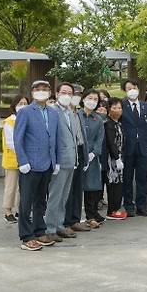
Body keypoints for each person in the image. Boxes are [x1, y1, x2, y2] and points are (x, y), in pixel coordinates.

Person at [14, 80, 59, 251]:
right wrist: (22, 161)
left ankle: (40, 231)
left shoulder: (53, 113)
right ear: (32, 92)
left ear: (49, 92)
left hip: (47, 163)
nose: (41, 92)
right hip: (30, 164)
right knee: (26, 202)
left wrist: (57, 161)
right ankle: (26, 236)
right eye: (38, 89)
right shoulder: (25, 112)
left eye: (45, 89)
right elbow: (18, 139)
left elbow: (55, 139)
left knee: (41, 200)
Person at [43, 83, 82, 242]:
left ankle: (59, 225)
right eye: (63, 92)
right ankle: (50, 228)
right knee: (55, 196)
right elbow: (51, 138)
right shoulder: (52, 111)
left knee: (64, 196)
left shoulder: (71, 112)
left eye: (69, 93)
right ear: (57, 94)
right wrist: (55, 160)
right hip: (59, 161)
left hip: (71, 159)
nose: (67, 95)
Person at [121, 79, 147, 217]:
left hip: (143, 148)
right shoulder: (121, 105)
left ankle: (142, 206)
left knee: (142, 179)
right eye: (129, 88)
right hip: (127, 148)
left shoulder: (146, 107)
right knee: (127, 178)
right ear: (125, 91)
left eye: (134, 87)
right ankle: (128, 206)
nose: (132, 90)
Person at [64, 84, 92, 233]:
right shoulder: (62, 112)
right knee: (67, 189)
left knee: (77, 187)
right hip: (69, 153)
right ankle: (66, 221)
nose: (76, 96)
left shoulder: (79, 112)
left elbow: (83, 136)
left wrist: (86, 156)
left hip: (80, 151)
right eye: (74, 93)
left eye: (79, 94)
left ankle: (75, 219)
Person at [2, 94, 29, 224]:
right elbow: (11, 142)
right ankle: (8, 211)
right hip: (13, 158)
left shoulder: (28, 119)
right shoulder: (9, 121)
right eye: (20, 103)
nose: (23, 106)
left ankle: (20, 209)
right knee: (11, 186)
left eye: (25, 103)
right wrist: (23, 153)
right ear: (14, 106)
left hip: (26, 160)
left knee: (23, 187)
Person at [80, 89, 106, 228]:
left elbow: (99, 139)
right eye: (90, 98)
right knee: (77, 187)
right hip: (78, 156)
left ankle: (91, 215)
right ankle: (73, 218)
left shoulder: (98, 119)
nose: (92, 101)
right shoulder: (77, 115)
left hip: (92, 157)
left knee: (93, 187)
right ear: (83, 99)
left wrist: (93, 153)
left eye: (95, 99)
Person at [104, 97, 127, 220]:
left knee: (119, 184)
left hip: (120, 158)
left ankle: (116, 208)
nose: (117, 110)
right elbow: (111, 142)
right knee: (113, 184)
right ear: (109, 109)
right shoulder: (108, 124)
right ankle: (111, 210)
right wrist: (116, 158)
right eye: (114, 108)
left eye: (119, 108)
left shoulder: (119, 123)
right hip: (112, 160)